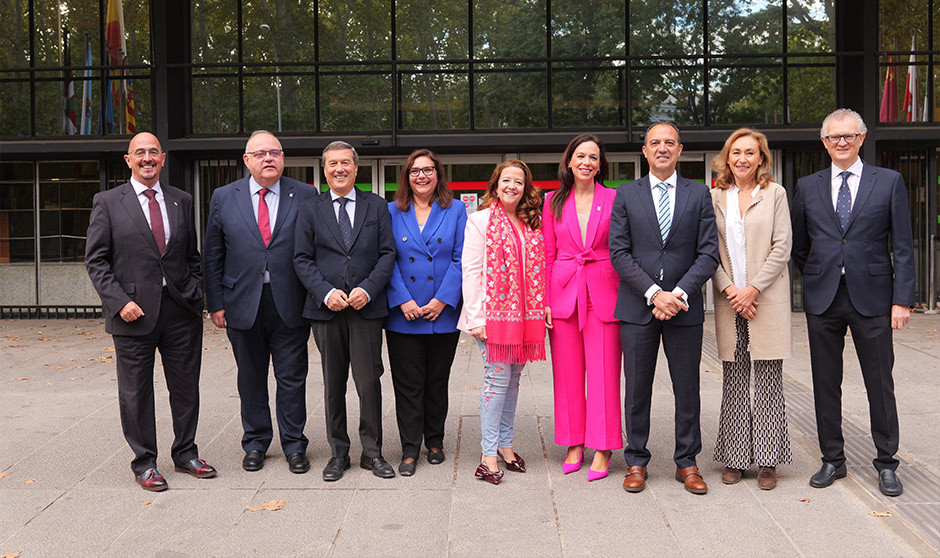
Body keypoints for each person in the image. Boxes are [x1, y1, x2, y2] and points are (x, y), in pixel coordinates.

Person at [791, 108, 915, 497]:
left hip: (874, 298)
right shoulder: (807, 186)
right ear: (824, 142)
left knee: (880, 383)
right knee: (825, 383)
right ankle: (833, 459)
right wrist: (818, 274)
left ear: (862, 138)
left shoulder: (889, 181)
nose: (841, 142)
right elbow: (799, 245)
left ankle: (887, 463)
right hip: (824, 298)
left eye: (848, 135)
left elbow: (903, 245)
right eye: (834, 137)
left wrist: (902, 300)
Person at [85, 132, 216, 491]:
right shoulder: (108, 202)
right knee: (135, 393)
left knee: (186, 388)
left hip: (180, 311)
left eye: (153, 152)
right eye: (140, 152)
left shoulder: (181, 200)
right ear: (128, 160)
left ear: (163, 158)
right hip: (133, 313)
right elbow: (96, 260)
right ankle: (144, 462)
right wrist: (119, 302)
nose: (147, 158)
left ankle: (186, 453)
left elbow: (191, 256)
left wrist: (195, 292)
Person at [610, 122, 719, 495]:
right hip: (638, 307)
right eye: (654, 143)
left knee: (687, 388)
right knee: (637, 388)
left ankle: (687, 461)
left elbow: (708, 254)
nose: (662, 148)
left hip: (684, 309)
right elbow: (619, 253)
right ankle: (636, 460)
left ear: (679, 149)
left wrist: (679, 294)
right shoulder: (626, 194)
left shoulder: (699, 193)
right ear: (644, 151)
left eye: (669, 142)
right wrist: (656, 294)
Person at [203, 130, 318, 474]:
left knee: (292, 378)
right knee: (250, 378)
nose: (269, 158)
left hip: (290, 302)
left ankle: (294, 445)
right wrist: (215, 303)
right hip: (241, 302)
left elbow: (315, 248)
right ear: (247, 160)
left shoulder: (306, 194)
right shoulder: (224, 196)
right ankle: (255, 442)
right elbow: (213, 254)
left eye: (275, 152)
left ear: (283, 158)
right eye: (261, 153)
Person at [293, 140, 397, 481]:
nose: (339, 169)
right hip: (327, 310)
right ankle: (338, 453)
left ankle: (372, 453)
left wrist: (368, 289)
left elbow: (387, 254)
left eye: (345, 163)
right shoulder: (310, 208)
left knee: (369, 382)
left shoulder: (376, 205)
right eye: (333, 163)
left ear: (356, 167)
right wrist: (325, 293)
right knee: (333, 383)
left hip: (367, 308)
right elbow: (302, 258)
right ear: (325, 170)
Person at [709, 128, 793, 490]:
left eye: (750, 152)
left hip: (764, 300)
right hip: (730, 302)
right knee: (735, 380)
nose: (742, 158)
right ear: (727, 158)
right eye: (736, 152)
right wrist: (731, 290)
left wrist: (752, 289)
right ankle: (735, 457)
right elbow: (708, 250)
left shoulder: (775, 194)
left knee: (769, 381)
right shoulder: (715, 197)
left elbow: (782, 246)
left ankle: (768, 462)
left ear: (761, 159)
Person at [459, 160, 548, 485]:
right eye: (506, 180)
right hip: (491, 318)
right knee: (496, 381)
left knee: (512, 382)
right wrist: (476, 319)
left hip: (523, 318)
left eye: (519, 182)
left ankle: (506, 445)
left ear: (526, 188)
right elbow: (470, 271)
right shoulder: (480, 220)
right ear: (496, 185)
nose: (512, 186)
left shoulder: (530, 222)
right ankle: (488, 456)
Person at [543, 134, 622, 481]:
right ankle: (574, 442)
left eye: (593, 157)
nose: (586, 162)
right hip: (563, 292)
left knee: (604, 373)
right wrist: (545, 301)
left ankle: (603, 446)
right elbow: (547, 252)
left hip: (603, 291)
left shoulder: (615, 198)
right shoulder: (552, 201)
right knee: (568, 374)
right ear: (569, 162)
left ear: (600, 164)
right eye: (580, 156)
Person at [385, 149, 467, 476]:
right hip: (403, 313)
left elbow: (461, 258)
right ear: (407, 177)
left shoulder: (456, 209)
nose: (422, 176)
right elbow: (386, 258)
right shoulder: (391, 211)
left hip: (441, 313)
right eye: (415, 171)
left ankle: (434, 440)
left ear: (438, 174)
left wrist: (443, 300)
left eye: (428, 170)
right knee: (407, 384)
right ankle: (409, 447)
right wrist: (402, 299)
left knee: (436, 380)